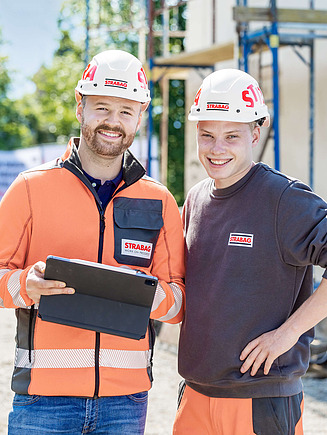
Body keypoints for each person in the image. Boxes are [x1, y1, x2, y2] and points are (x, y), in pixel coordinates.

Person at [0, 49, 185, 434]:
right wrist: (25, 286)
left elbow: (179, 301)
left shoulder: (160, 200)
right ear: (80, 106)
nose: (113, 122)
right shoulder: (30, 188)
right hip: (42, 402)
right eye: (102, 108)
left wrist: (148, 295)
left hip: (126, 403)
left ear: (140, 116)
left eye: (125, 111)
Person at [173, 68, 327, 435]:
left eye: (231, 136)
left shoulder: (284, 199)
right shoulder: (194, 199)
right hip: (195, 393)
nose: (217, 148)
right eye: (207, 135)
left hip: (260, 402)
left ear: (255, 133)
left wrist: (287, 334)